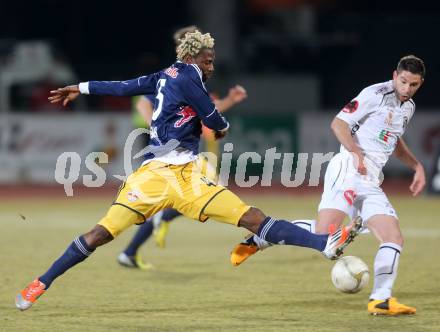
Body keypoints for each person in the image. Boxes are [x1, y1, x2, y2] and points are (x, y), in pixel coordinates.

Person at [16, 30, 360, 311]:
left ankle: (40, 283)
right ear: (194, 57)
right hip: (177, 176)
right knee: (253, 218)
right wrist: (220, 125)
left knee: (100, 234)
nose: (211, 65)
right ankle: (321, 243)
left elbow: (121, 87)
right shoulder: (192, 79)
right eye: (208, 60)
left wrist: (81, 86)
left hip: (160, 176)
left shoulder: (163, 75)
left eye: (211, 60)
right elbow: (215, 120)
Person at [230, 55, 426, 316]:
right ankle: (261, 237)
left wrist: (416, 166)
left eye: (413, 85)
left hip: (370, 179)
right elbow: (339, 124)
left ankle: (380, 300)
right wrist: (355, 152)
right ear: (394, 76)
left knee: (393, 237)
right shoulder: (374, 94)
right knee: (324, 237)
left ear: (420, 83)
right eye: (403, 82)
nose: (406, 89)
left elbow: (394, 140)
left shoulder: (408, 107)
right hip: (347, 168)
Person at [117, 26, 248, 270]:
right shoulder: (172, 76)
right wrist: (160, 131)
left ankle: (131, 250)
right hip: (168, 151)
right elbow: (143, 105)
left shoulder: (190, 76)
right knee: (206, 190)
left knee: (172, 197)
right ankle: (158, 223)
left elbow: (207, 110)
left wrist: (229, 101)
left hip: (183, 153)